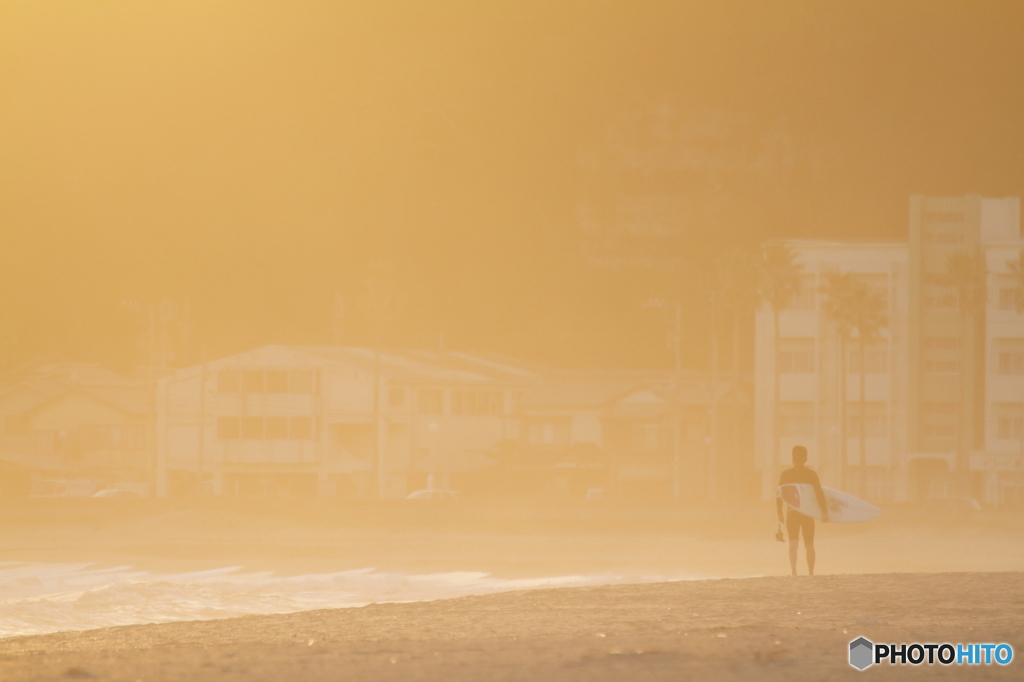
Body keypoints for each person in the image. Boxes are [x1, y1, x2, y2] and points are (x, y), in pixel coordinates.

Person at [776, 445, 829, 576]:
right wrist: (824, 512)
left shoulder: (786, 474)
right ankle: (811, 573)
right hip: (807, 514)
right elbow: (819, 494)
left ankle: (794, 571)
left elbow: (779, 494)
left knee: (793, 545)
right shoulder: (811, 474)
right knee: (809, 545)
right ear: (806, 458)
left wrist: (779, 513)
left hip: (792, 514)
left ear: (792, 458)